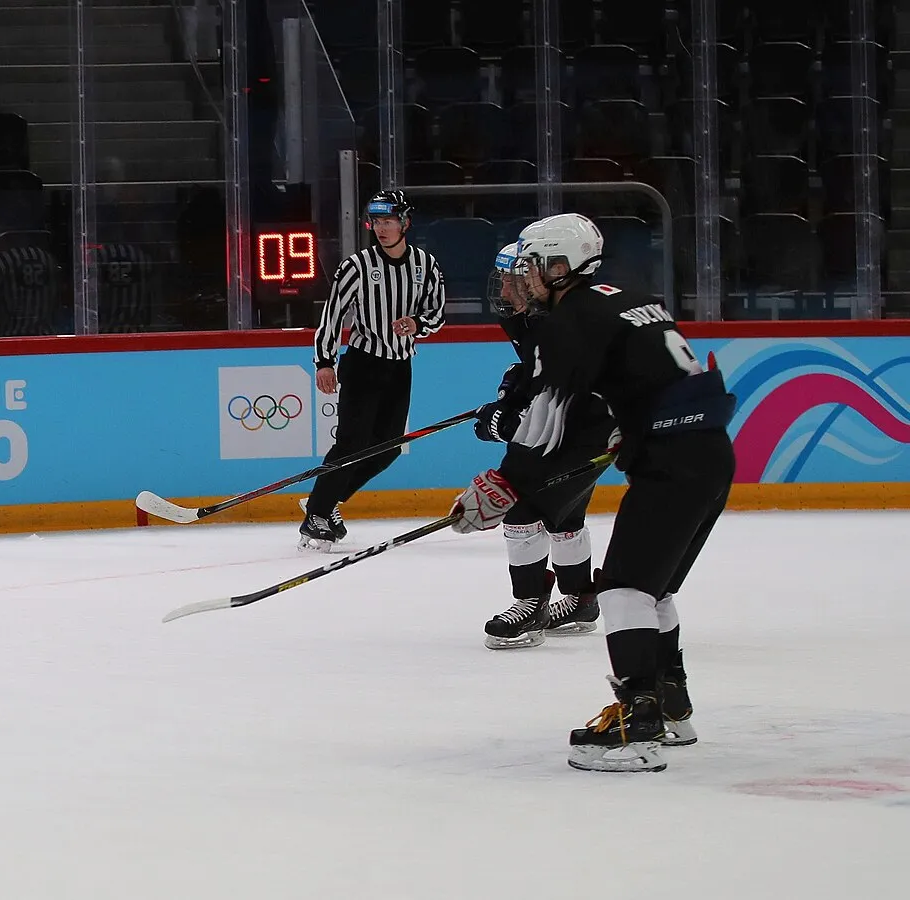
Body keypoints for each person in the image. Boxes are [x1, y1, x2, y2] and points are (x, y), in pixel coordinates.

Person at [451, 214, 734, 773]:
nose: (524, 279)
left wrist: (506, 483)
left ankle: (639, 725)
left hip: (672, 464)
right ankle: (672, 706)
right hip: (708, 457)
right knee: (649, 591)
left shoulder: (571, 318)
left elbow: (560, 418)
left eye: (531, 267)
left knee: (624, 591)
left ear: (559, 268)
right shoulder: (626, 298)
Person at [472, 244, 611, 650]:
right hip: (586, 429)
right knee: (565, 511)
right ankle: (580, 598)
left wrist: (508, 422)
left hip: (585, 429)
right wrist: (516, 386)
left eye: (514, 282)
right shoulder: (533, 319)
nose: (507, 292)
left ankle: (531, 601)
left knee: (520, 500)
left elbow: (570, 391)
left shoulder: (557, 320)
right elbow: (539, 371)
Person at [299, 190, 447, 550]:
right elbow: (332, 315)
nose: (381, 228)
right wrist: (324, 362)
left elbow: (438, 313)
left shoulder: (425, 265)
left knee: (388, 449)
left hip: (400, 368)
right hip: (364, 364)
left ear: (405, 223)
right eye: (376, 222)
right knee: (351, 442)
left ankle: (327, 502)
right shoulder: (357, 266)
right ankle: (316, 514)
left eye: (388, 221)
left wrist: (417, 324)